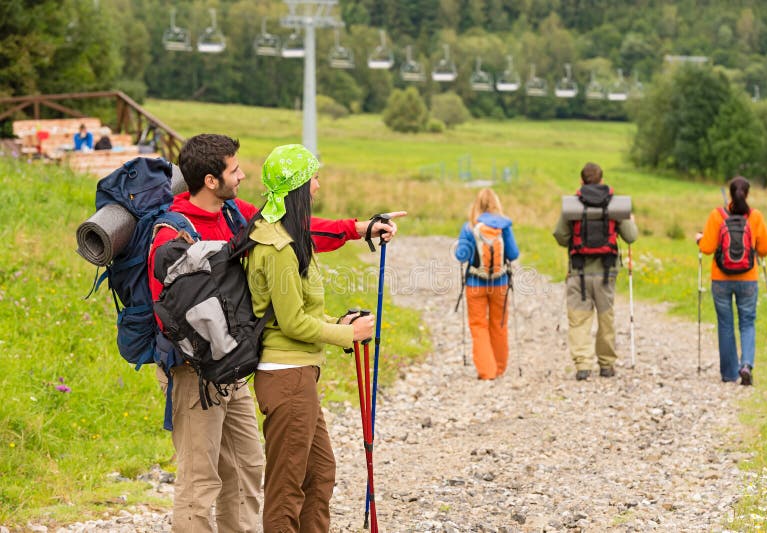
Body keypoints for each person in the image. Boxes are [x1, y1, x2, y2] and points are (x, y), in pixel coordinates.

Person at [146, 134, 401, 532]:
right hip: (193, 370)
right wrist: (342, 333)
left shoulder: (235, 215)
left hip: (236, 365)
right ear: (211, 180)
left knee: (248, 468)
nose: (243, 174)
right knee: (201, 478)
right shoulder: (172, 233)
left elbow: (298, 229)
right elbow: (167, 311)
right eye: (234, 170)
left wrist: (359, 228)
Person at [247, 144, 376, 532]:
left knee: (319, 475)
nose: (319, 186)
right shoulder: (278, 246)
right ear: (299, 187)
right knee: (287, 489)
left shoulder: (287, 234)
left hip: (299, 375)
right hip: (286, 376)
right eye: (314, 178)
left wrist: (339, 322)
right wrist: (347, 334)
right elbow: (292, 324)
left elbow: (297, 314)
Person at [553, 162, 638, 381]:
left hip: (578, 272)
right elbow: (630, 237)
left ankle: (583, 366)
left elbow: (561, 237)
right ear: (602, 180)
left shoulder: (573, 206)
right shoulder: (614, 205)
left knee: (579, 320)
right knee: (606, 319)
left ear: (581, 181)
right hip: (606, 272)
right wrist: (630, 221)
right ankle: (607, 365)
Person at [695, 176, 767, 385]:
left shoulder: (716, 215)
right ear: (747, 194)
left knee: (725, 324)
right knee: (747, 322)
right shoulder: (755, 216)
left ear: (730, 194)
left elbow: (707, 248)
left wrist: (700, 239)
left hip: (721, 279)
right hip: (748, 279)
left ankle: (729, 373)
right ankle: (746, 365)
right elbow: (765, 249)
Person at [454, 188, 519, 380]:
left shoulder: (469, 226)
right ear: (496, 204)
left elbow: (461, 256)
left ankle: (486, 371)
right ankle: (499, 368)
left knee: (478, 326)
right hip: (500, 284)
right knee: (499, 324)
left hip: (475, 283)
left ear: (477, 205)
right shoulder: (504, 226)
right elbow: (513, 254)